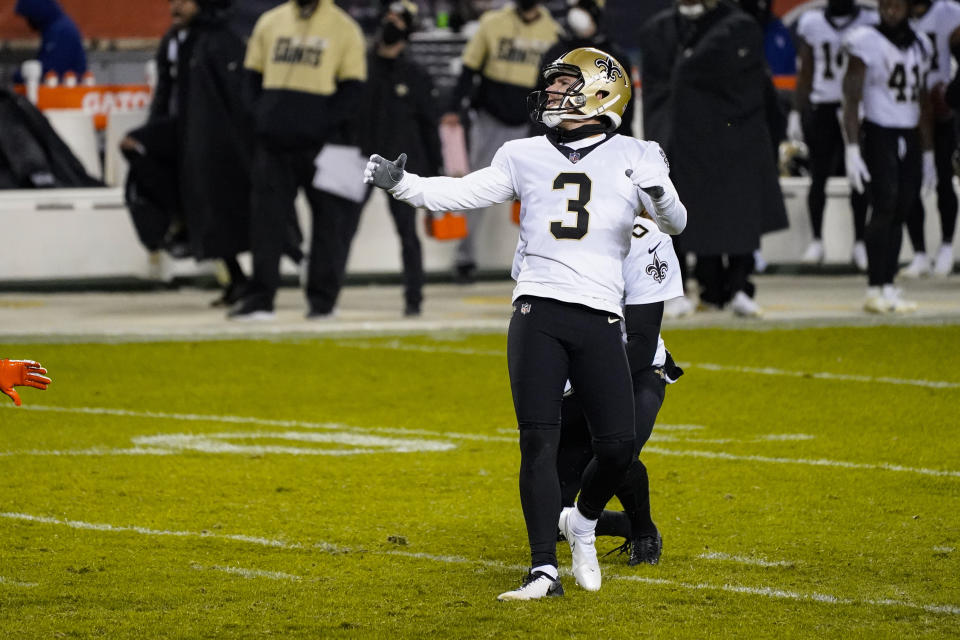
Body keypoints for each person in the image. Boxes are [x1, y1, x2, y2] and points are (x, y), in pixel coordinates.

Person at [365, 47, 687, 601]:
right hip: (536, 309)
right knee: (537, 442)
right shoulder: (523, 153)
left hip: (601, 315)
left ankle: (583, 522)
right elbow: (464, 192)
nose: (554, 94)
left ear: (599, 92)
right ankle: (543, 570)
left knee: (615, 447)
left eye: (566, 84)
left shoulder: (637, 152)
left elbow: (674, 222)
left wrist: (659, 191)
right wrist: (405, 185)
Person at [639, 0, 788, 318]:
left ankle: (737, 287)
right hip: (685, 140)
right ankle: (688, 289)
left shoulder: (737, 26)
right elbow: (662, 90)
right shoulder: (662, 30)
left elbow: (757, 88)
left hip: (734, 138)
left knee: (737, 215)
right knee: (682, 216)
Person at [558, 213, 685, 567]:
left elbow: (641, 344)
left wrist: (588, 382)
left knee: (615, 450)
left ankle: (644, 532)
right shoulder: (556, 232)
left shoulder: (645, 238)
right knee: (549, 512)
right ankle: (627, 524)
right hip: (580, 372)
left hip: (638, 371)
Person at [229, 0, 367, 320]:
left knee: (328, 226)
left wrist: (319, 124)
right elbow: (250, 77)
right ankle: (261, 300)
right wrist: (261, 117)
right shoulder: (270, 22)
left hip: (323, 147)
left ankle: (322, 302)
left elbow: (353, 89)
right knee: (266, 224)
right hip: (273, 142)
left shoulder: (344, 28)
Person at [122, 0, 255, 306]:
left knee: (214, 209)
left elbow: (234, 97)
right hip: (182, 129)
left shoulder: (221, 40)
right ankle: (178, 216)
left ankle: (240, 279)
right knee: (135, 147)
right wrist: (154, 125)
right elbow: (165, 91)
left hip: (211, 136)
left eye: (184, 2)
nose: (175, 8)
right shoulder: (175, 40)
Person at [441, 0, 559, 284]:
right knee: (475, 188)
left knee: (539, 197)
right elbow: (469, 69)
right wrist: (453, 108)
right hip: (489, 118)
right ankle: (464, 258)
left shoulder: (553, 32)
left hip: (531, 123)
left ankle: (541, 263)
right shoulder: (492, 23)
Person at [843, 0, 934, 313]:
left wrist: (929, 151)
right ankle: (874, 286)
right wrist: (852, 146)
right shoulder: (865, 40)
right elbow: (851, 94)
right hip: (879, 131)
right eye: (885, 5)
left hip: (908, 132)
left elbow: (922, 98)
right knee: (883, 206)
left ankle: (889, 285)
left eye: (896, 5)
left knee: (902, 208)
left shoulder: (920, 44)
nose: (890, 11)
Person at [357, 1, 443, 317]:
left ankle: (414, 299)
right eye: (389, 19)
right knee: (340, 229)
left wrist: (436, 170)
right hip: (359, 160)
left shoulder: (416, 74)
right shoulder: (360, 67)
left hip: (400, 167)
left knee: (407, 233)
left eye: (399, 21)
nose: (392, 25)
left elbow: (428, 125)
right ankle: (324, 299)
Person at [794, 0, 877, 269]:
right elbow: (805, 70)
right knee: (818, 176)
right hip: (824, 106)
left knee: (860, 178)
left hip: (859, 107)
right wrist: (798, 110)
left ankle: (861, 242)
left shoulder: (869, 21)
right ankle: (817, 240)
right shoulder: (812, 22)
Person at [902, 0, 960, 277]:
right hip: (906, 110)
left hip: (941, 111)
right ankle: (920, 253)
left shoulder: (949, 12)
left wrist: (953, 91)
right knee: (909, 183)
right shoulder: (897, 14)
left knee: (944, 179)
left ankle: (947, 246)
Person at [537, 0, 634, 138]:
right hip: (557, 137)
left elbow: (624, 107)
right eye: (574, 8)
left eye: (584, 7)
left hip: (603, 138)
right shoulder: (555, 53)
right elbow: (542, 95)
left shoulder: (614, 59)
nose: (577, 14)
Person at [13, 0, 86, 81]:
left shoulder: (60, 31)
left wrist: (20, 75)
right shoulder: (54, 29)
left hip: (67, 90)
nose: (28, 22)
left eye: (29, 17)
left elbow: (51, 69)